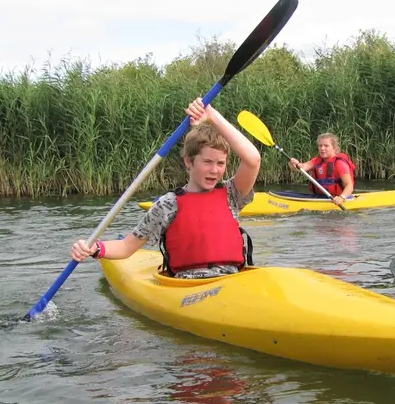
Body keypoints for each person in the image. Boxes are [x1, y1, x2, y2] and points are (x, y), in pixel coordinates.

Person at [70, 97, 261, 278]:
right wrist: (94, 248)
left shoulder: (231, 194)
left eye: (220, 163)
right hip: (188, 286)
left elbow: (253, 160)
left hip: (232, 280)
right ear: (188, 161)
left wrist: (211, 115)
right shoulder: (168, 204)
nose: (214, 170)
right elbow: (127, 247)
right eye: (207, 162)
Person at [288, 132, 356, 207]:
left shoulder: (339, 163)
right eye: (320, 146)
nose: (322, 148)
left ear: (334, 148)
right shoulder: (317, 160)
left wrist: (341, 198)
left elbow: (349, 185)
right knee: (286, 193)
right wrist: (293, 164)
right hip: (321, 197)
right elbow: (302, 167)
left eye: (326, 146)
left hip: (338, 198)